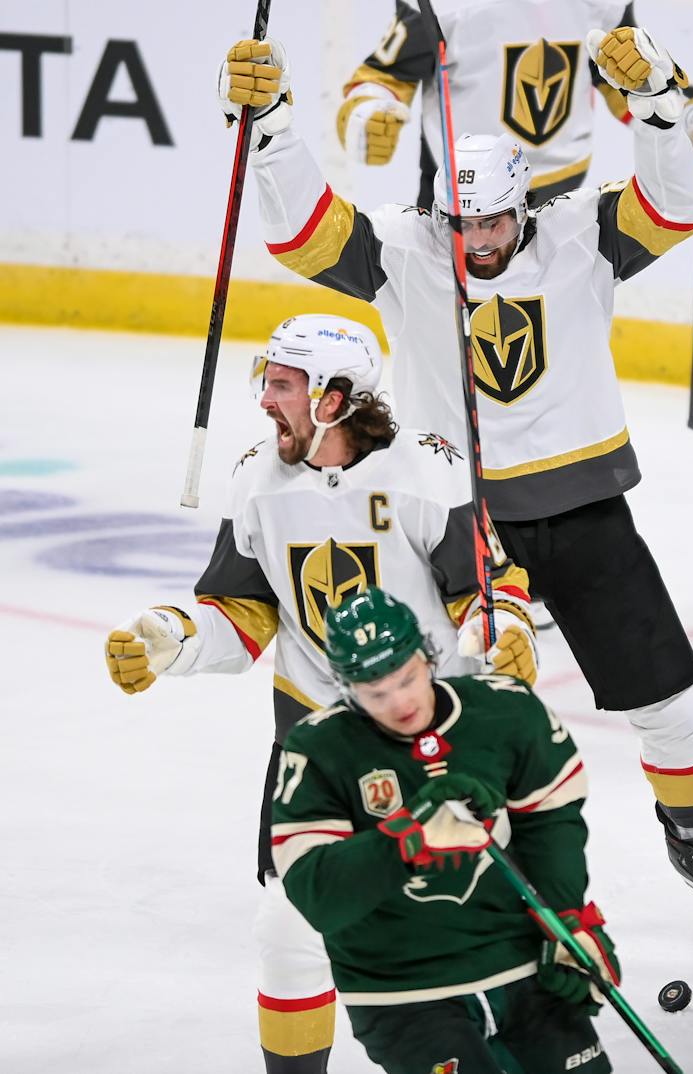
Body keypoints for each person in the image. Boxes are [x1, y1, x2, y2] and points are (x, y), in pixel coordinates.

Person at [218, 24, 693, 930]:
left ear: (522, 205)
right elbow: (304, 235)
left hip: (582, 506)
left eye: (489, 220)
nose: (474, 239)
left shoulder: (583, 233)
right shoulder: (409, 249)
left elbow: (680, 203)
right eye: (460, 220)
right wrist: (273, 124)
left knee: (667, 694)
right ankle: (378, 858)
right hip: (454, 525)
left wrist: (656, 104)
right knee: (424, 702)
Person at [103, 313, 536, 1074]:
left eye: (283, 384)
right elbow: (241, 614)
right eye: (267, 382)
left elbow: (486, 590)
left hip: (429, 742)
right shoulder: (257, 479)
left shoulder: (426, 472)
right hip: (317, 744)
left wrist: (507, 635)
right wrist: (175, 635)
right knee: (292, 931)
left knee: (436, 940)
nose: (266, 400)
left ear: (334, 399)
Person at [271, 586, 616, 1074]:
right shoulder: (319, 749)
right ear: (347, 688)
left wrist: (569, 921)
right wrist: (408, 840)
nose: (399, 701)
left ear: (427, 654)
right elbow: (317, 894)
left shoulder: (505, 711)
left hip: (517, 963)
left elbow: (550, 824)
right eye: (376, 692)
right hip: (400, 987)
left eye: (407, 677)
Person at [339, 0, 693, 209]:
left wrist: (686, 120)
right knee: (441, 327)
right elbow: (385, 75)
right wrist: (368, 114)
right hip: (459, 195)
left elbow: (626, 81)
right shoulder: (445, 6)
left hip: (564, 198)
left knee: (555, 329)